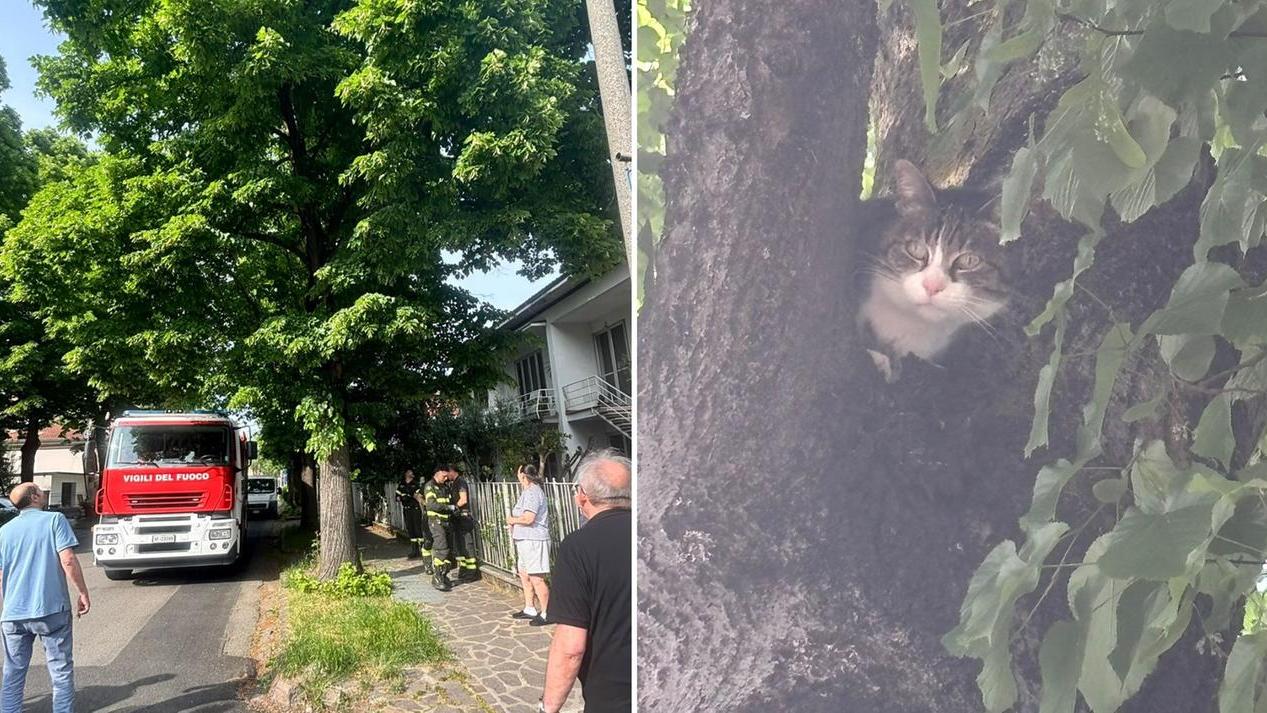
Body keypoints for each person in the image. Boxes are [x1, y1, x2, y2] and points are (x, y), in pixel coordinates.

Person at [539, 450, 632, 713]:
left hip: (614, 700)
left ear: (582, 496)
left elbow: (571, 648)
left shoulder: (578, 547)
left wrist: (549, 708)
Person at [0, 483, 91, 713]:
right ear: (34, 497)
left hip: (13, 613)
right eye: (39, 489)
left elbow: (1, 574)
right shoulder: (54, 520)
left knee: (12, 673)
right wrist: (82, 592)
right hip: (51, 610)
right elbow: (68, 559)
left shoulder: (4, 531)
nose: (43, 492)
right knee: (60, 671)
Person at [507, 464, 550, 626]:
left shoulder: (533, 492)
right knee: (524, 573)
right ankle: (530, 607)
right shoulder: (527, 491)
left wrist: (512, 520)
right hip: (525, 540)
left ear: (522, 475)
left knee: (536, 577)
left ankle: (547, 612)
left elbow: (529, 518)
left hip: (534, 540)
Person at [422, 467, 457, 591]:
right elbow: (431, 505)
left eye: (447, 476)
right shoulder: (430, 486)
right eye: (444, 476)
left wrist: (453, 509)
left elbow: (450, 502)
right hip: (436, 521)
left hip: (447, 521)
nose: (446, 478)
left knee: (449, 550)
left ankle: (443, 576)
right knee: (441, 548)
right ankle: (436, 577)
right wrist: (449, 508)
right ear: (438, 473)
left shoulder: (445, 487)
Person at [447, 464, 480, 582]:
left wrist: (453, 507)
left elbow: (463, 499)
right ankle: (464, 569)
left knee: (467, 544)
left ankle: (472, 572)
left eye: (448, 472)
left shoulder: (460, 482)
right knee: (460, 546)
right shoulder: (453, 483)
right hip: (457, 519)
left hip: (463, 518)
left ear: (453, 471)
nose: (447, 475)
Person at [394, 469, 427, 564]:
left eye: (412, 473)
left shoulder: (415, 484)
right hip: (406, 509)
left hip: (415, 509)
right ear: (406, 474)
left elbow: (417, 495)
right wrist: (401, 497)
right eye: (410, 473)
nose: (412, 474)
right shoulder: (401, 484)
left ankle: (422, 549)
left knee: (417, 529)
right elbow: (397, 496)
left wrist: (409, 496)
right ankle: (414, 550)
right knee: (410, 529)